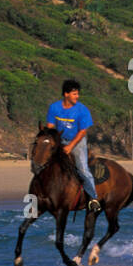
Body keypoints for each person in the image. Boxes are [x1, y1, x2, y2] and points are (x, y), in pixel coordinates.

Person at [47, 79, 100, 213]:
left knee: (82, 169)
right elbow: (50, 126)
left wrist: (70, 147)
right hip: (59, 140)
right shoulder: (54, 107)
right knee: (43, 162)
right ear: (66, 94)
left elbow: (82, 132)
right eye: (74, 94)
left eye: (77, 94)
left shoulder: (82, 110)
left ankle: (93, 199)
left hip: (77, 141)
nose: (77, 96)